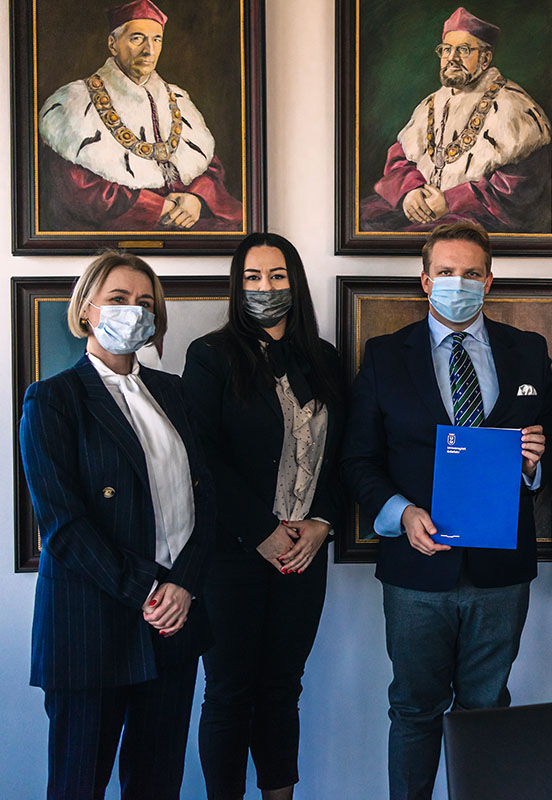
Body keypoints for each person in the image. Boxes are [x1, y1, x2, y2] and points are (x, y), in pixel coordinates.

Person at [341, 221, 552, 800]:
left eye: (470, 273)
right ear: (425, 280)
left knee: (487, 711)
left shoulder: (528, 351)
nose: (457, 282)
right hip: (416, 570)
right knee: (415, 709)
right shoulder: (385, 356)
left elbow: (551, 449)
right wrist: (402, 514)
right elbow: (358, 459)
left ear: (489, 281)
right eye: (445, 271)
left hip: (500, 570)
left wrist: (533, 464)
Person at [19, 251, 215, 798]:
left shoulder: (174, 392)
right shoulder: (52, 399)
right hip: (90, 626)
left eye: (145, 302)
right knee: (77, 785)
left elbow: (206, 500)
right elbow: (63, 526)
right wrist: (151, 589)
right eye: (119, 299)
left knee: (156, 785)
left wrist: (184, 585)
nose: (134, 311)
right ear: (86, 309)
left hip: (174, 623)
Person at [182, 233, 345, 800]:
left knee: (282, 688)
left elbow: (343, 453)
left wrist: (322, 523)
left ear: (294, 282)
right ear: (237, 285)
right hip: (233, 554)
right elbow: (200, 456)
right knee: (228, 693)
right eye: (252, 277)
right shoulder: (210, 355)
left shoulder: (324, 359)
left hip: (305, 553)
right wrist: (261, 532)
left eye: (277, 275)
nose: (265, 287)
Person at [37, 0, 243, 233]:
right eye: (137, 38)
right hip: (122, 226)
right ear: (113, 44)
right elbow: (77, 189)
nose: (149, 50)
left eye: (157, 40)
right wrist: (158, 208)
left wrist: (197, 199)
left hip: (188, 220)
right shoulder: (75, 102)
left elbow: (210, 167)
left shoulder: (178, 100)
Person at [359, 7, 552, 233]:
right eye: (446, 50)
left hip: (476, 214)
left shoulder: (515, 107)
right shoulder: (429, 104)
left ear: (485, 59)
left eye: (463, 50)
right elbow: (398, 159)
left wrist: (450, 201)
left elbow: (519, 187)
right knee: (365, 217)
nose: (452, 58)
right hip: (423, 205)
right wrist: (410, 192)